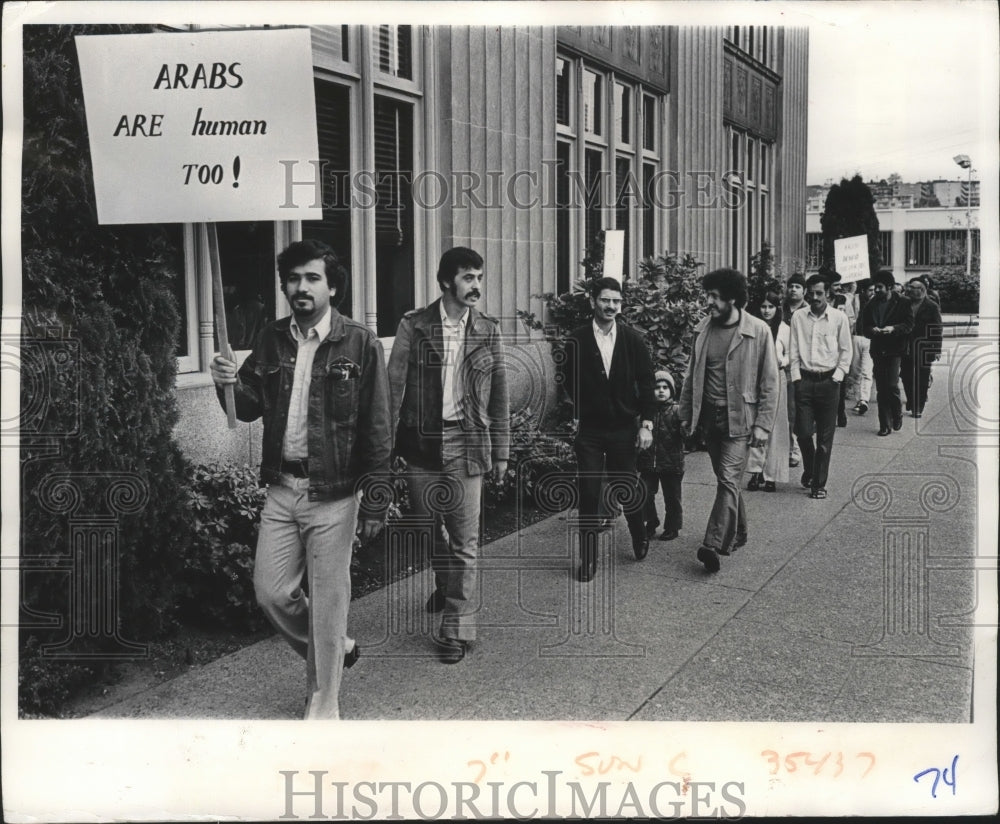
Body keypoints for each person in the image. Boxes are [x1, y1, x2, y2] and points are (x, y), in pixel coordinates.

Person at [209, 239, 392, 719]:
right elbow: (246, 408)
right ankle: (336, 645)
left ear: (332, 286)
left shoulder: (360, 342)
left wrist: (375, 499)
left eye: (312, 278)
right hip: (281, 489)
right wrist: (225, 379)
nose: (301, 287)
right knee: (271, 592)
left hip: (334, 492)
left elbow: (377, 429)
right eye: (293, 278)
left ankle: (323, 700)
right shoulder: (272, 338)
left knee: (330, 600)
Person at [387, 247, 509, 664]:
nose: (476, 285)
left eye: (479, 277)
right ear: (446, 283)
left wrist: (502, 452)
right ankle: (446, 580)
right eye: (468, 278)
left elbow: (500, 395)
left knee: (465, 539)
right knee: (424, 527)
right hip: (421, 443)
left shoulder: (487, 330)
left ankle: (456, 628)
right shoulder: (414, 325)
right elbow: (392, 388)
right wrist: (384, 448)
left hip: (468, 443)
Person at [679, 268, 779, 573]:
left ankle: (713, 545)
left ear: (732, 299)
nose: (708, 302)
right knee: (729, 481)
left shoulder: (758, 331)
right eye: (707, 295)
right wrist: (684, 416)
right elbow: (690, 378)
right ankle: (740, 532)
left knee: (727, 480)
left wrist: (763, 424)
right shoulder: (702, 329)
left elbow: (771, 381)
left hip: (741, 420)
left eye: (714, 297)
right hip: (710, 419)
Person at [559, 277, 656, 582]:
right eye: (605, 300)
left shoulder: (632, 339)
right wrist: (574, 414)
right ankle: (588, 559)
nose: (611, 306)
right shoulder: (576, 339)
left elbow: (647, 382)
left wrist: (646, 424)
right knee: (588, 492)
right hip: (589, 430)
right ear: (592, 301)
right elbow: (566, 380)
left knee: (625, 486)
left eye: (616, 301)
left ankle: (639, 534)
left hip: (623, 430)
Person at [788, 274, 852, 500]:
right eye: (811, 293)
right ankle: (811, 468)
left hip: (829, 383)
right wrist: (796, 377)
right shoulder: (798, 317)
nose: (814, 297)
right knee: (803, 432)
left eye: (819, 293)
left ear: (828, 294)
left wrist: (838, 376)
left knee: (825, 439)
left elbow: (846, 350)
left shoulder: (838, 318)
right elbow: (793, 348)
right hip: (804, 381)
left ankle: (819, 483)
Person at [745, 289, 790, 492]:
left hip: (777, 379)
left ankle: (772, 474)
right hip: (755, 378)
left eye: (770, 306)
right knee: (756, 423)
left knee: (776, 426)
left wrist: (782, 361)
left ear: (777, 308)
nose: (766, 310)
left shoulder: (784, 329)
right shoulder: (753, 328)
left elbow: (793, 354)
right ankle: (755, 471)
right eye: (763, 306)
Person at [860, 268, 914, 437]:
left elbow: (909, 324)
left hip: (895, 349)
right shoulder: (871, 303)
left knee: (891, 385)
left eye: (880, 287)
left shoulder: (904, 302)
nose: (876, 290)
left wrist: (893, 329)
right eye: (875, 287)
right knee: (881, 388)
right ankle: (884, 424)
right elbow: (864, 326)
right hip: (877, 349)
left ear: (889, 287)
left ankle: (896, 413)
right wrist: (872, 330)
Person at [637, 370, 684, 541]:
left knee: (672, 497)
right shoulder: (646, 413)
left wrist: (686, 427)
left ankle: (673, 527)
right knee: (644, 493)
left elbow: (687, 434)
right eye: (657, 387)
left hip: (671, 463)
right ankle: (651, 521)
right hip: (648, 463)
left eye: (666, 387)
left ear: (672, 390)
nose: (661, 390)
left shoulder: (677, 411)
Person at [901, 277, 943, 418]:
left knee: (922, 376)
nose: (909, 289)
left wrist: (936, 349)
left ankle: (918, 407)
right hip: (906, 345)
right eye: (909, 287)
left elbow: (937, 328)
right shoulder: (905, 304)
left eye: (912, 287)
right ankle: (911, 400)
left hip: (924, 346)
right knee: (906, 375)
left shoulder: (931, 306)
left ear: (921, 290)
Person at [782, 272, 808, 469]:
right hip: (779, 365)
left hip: (800, 367)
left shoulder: (808, 311)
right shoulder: (778, 309)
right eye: (791, 286)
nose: (793, 289)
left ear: (804, 291)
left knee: (795, 412)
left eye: (798, 287)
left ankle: (794, 450)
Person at [848, 278, 874, 416]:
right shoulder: (854, 299)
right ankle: (859, 400)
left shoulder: (877, 301)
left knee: (866, 371)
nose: (873, 293)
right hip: (856, 337)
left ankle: (864, 400)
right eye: (870, 290)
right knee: (855, 371)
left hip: (870, 339)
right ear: (863, 290)